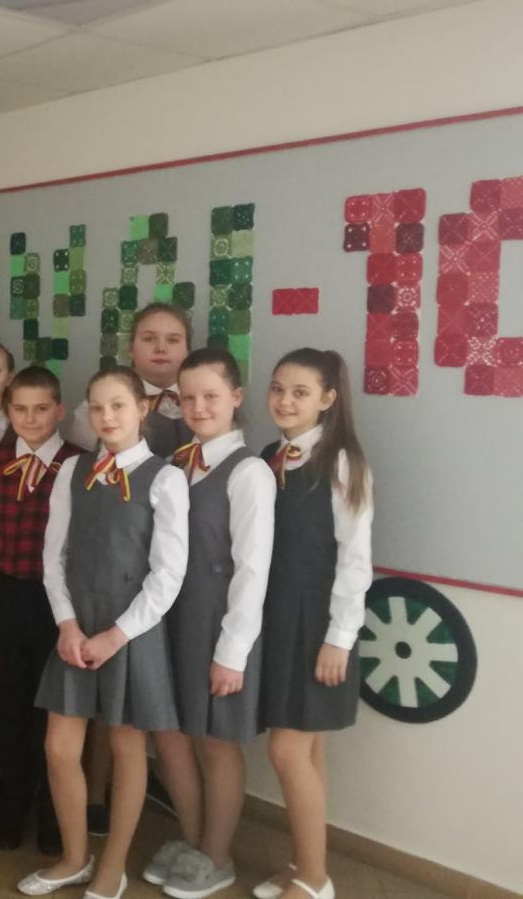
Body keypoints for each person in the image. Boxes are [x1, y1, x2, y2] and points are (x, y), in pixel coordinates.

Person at [18, 366, 188, 899]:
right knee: (59, 748)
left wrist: (115, 636)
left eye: (118, 405)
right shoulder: (74, 470)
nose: (107, 417)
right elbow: (53, 558)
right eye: (97, 407)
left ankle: (113, 865)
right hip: (75, 626)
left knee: (126, 748)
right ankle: (74, 857)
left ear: (142, 409)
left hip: (130, 631)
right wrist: (67, 624)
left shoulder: (165, 478)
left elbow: (168, 576)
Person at [148, 348, 276, 899]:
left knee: (217, 743)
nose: (198, 407)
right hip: (172, 619)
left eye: (211, 396)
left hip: (218, 624)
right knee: (172, 735)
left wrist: (233, 651)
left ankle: (217, 856)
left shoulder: (249, 471)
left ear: (236, 398)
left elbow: (253, 568)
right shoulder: (178, 464)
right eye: (188, 397)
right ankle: (193, 839)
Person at [253, 349, 372, 899]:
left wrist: (339, 639)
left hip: (317, 625)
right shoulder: (269, 456)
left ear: (327, 399)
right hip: (276, 617)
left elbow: (355, 559)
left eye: (300, 392)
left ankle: (315, 880)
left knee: (287, 749)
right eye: (278, 388)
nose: (284, 400)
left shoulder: (342, 461)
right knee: (307, 750)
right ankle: (306, 864)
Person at [0, 366, 83, 855]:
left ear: (59, 410)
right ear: (8, 411)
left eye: (41, 409)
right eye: (20, 409)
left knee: (54, 710)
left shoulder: (79, 462)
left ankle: (52, 812)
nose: (31, 418)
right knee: (12, 704)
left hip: (59, 604)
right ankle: (13, 803)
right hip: (7, 594)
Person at [66, 303, 192, 459]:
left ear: (187, 350)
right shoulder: (96, 407)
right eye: (149, 339)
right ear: (131, 348)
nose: (161, 348)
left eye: (173, 340)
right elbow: (79, 466)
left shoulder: (206, 403)